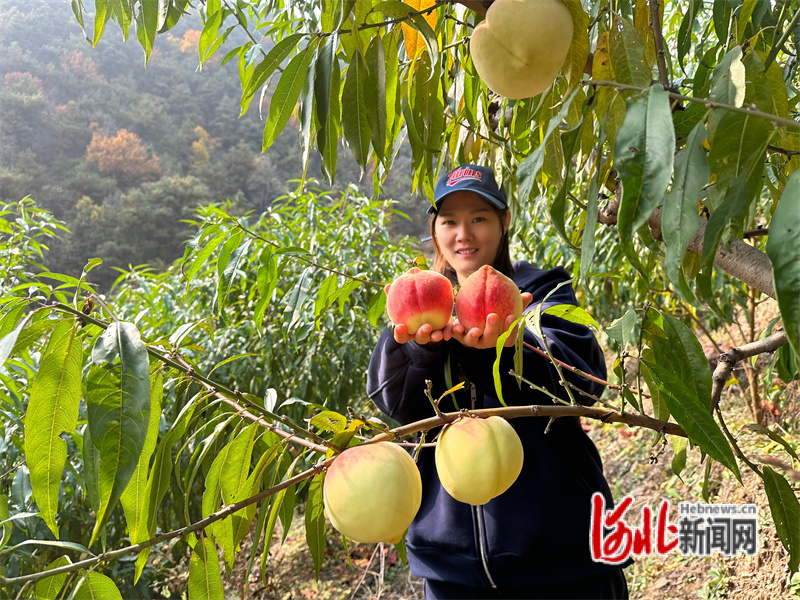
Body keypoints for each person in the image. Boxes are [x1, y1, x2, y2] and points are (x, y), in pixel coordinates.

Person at [366, 165, 632, 599]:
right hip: (453, 570)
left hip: (562, 554)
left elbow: (582, 380)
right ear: (434, 229)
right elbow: (396, 401)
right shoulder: (419, 302)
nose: (463, 235)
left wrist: (510, 346)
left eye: (479, 218)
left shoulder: (541, 291)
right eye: (449, 221)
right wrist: (423, 351)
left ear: (504, 221)